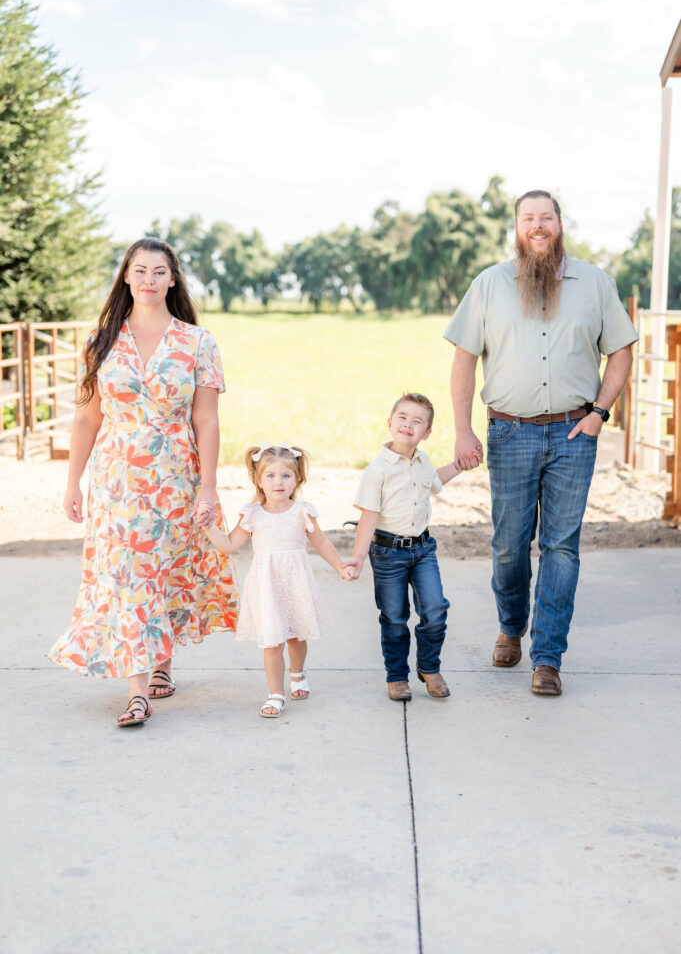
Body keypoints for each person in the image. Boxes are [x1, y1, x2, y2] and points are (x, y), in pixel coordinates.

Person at [445, 190, 638, 696]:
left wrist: (599, 414)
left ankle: (547, 657)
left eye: (545, 217)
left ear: (559, 225)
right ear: (516, 227)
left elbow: (621, 353)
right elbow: (463, 360)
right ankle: (512, 627)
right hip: (509, 431)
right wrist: (463, 429)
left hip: (576, 433)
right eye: (528, 218)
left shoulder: (595, 283)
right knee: (509, 546)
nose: (537, 226)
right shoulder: (488, 285)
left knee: (561, 546)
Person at [48, 237, 238, 726]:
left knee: (167, 575)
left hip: (176, 478)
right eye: (139, 270)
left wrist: (209, 487)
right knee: (129, 579)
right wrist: (73, 483)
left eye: (158, 271)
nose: (149, 279)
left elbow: (208, 422)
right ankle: (137, 691)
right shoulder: (101, 340)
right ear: (126, 277)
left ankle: (162, 662)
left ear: (172, 279)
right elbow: (87, 419)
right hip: (116, 484)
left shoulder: (197, 342)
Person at [198, 444, 355, 719]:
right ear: (259, 481)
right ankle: (275, 694)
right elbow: (230, 544)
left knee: (296, 636)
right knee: (272, 642)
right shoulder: (253, 514)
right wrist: (209, 527)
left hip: (295, 583)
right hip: (267, 587)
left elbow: (321, 542)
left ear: (298, 479)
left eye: (286, 476)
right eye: (270, 476)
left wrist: (341, 566)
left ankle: (298, 673)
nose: (278, 482)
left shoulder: (302, 511)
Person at [345, 393, 460, 702]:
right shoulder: (377, 471)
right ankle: (397, 676)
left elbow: (436, 481)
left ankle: (429, 668)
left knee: (435, 609)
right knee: (395, 616)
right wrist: (357, 557)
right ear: (390, 423)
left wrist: (460, 465)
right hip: (387, 553)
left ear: (427, 433)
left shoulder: (423, 462)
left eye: (417, 421)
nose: (408, 424)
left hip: (423, 550)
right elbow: (368, 516)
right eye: (403, 417)